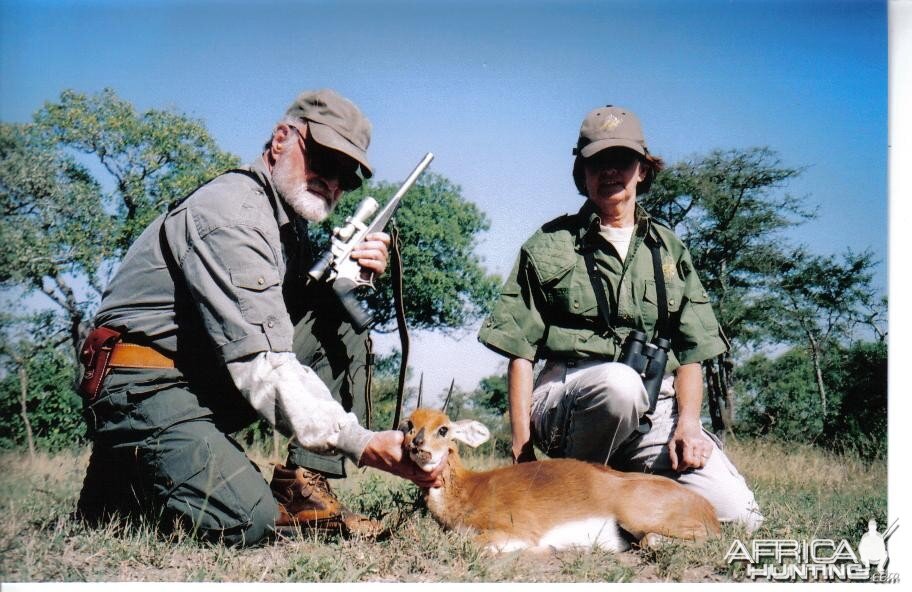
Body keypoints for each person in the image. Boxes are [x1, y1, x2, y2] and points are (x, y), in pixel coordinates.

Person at [76, 89, 443, 547]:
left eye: (347, 178)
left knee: (339, 317)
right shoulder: (236, 213)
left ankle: (303, 486)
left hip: (198, 372)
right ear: (280, 139)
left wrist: (350, 280)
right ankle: (126, 475)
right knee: (248, 520)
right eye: (324, 161)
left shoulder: (286, 224)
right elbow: (263, 362)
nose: (333, 183)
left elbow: (286, 323)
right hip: (141, 379)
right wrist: (362, 442)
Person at [478, 105, 763, 532]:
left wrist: (689, 424)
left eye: (622, 160)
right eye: (597, 162)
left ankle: (625, 496)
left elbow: (691, 353)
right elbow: (519, 354)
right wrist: (522, 455)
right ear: (582, 171)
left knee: (739, 516)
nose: (610, 172)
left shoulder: (669, 249)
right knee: (619, 385)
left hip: (653, 410)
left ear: (643, 170)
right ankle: (572, 503)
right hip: (568, 401)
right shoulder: (548, 244)